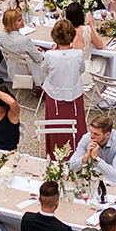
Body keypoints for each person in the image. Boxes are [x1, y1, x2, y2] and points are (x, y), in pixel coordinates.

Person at [41, 19, 87, 159]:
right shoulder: (78, 54)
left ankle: (55, 155)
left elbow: (45, 70)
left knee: (56, 125)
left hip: (55, 94)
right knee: (76, 125)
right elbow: (82, 70)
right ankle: (77, 154)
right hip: (72, 93)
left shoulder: (50, 55)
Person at [69, 114, 116, 185]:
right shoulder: (87, 138)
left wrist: (96, 159)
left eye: (96, 134)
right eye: (91, 132)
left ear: (107, 135)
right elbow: (70, 167)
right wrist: (85, 157)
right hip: (100, 175)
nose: (92, 136)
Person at [66, 0, 107, 87]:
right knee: (104, 60)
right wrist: (92, 26)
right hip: (85, 70)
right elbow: (99, 45)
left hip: (70, 68)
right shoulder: (86, 29)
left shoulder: (65, 30)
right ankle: (103, 88)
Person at [0, 7, 44, 85]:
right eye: (19, 20)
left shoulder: (3, 35)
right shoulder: (24, 40)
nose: (23, 21)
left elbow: (16, 48)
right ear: (12, 23)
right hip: (28, 71)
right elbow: (38, 58)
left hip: (14, 70)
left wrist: (32, 48)